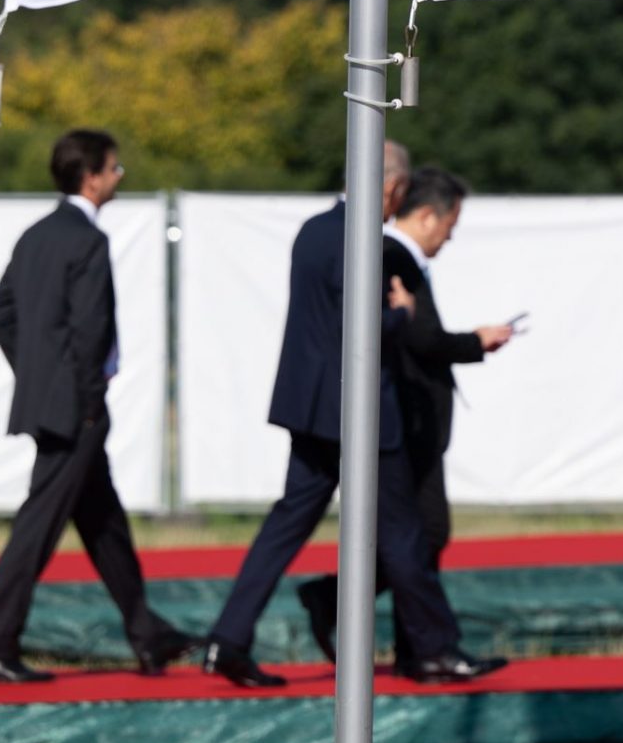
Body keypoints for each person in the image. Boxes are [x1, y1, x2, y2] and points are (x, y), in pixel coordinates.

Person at [203, 143, 504, 687]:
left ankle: (228, 638)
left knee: (286, 527)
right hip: (358, 412)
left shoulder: (314, 230)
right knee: (404, 533)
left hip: (310, 407)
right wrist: (401, 315)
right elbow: (358, 331)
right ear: (389, 187)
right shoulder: (361, 241)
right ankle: (435, 649)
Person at [0, 129, 198, 684]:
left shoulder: (37, 235)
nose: (119, 177)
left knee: (104, 523)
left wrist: (41, 376)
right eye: (115, 169)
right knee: (39, 525)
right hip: (77, 409)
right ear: (90, 176)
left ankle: (148, 634)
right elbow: (92, 332)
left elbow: (1, 313)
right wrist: (84, 395)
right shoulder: (87, 242)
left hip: (58, 401)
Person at [296, 167, 513, 665]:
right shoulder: (391, 256)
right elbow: (414, 338)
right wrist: (474, 342)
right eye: (449, 223)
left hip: (409, 419)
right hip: (402, 421)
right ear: (427, 215)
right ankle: (414, 640)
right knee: (417, 533)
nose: (451, 235)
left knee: (415, 534)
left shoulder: (391, 255)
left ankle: (412, 641)